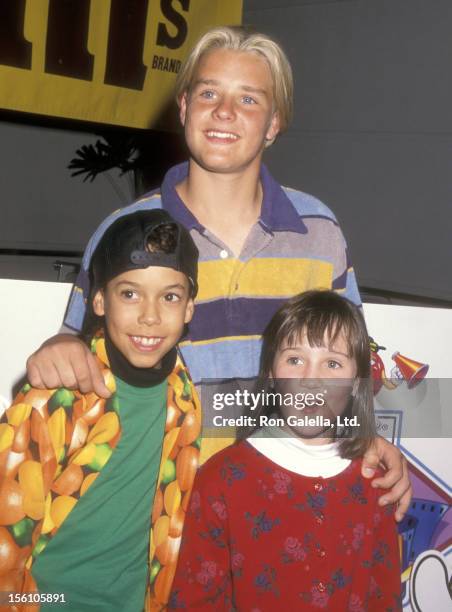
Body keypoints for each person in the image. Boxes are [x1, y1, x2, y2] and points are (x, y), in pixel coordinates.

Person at [25, 26, 411, 517]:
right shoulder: (122, 231)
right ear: (184, 107)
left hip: (289, 512)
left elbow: (351, 363)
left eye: (249, 99)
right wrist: (63, 348)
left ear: (274, 123)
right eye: (209, 92)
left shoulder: (320, 231)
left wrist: (366, 438)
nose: (225, 111)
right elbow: (80, 362)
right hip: (161, 519)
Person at [0, 210, 202, 610]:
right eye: (129, 293)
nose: (150, 315)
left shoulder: (184, 398)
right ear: (97, 300)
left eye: (170, 296)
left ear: (190, 309)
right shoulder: (56, 396)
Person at [169, 290, 402, 611]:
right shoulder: (221, 480)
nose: (311, 380)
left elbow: (385, 598)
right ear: (270, 375)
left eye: (332, 363)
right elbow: (195, 601)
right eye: (295, 360)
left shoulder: (375, 483)